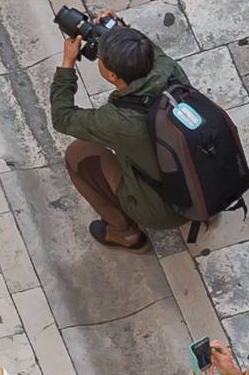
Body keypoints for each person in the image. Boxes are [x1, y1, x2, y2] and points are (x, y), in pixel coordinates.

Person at [51, 13, 197, 250]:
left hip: (167, 211)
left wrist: (67, 64)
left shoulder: (118, 120)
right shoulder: (169, 69)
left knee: (78, 153)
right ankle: (206, 207)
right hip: (213, 182)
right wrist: (123, 34)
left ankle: (123, 232)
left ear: (112, 75)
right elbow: (148, 50)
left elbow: (62, 117)